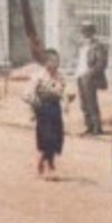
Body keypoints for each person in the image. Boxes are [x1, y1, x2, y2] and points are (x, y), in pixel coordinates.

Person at [23, 48, 67, 178]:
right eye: (53, 61)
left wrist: (66, 101)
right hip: (43, 110)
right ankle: (49, 167)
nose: (56, 64)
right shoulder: (38, 76)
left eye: (58, 61)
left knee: (57, 137)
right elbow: (27, 93)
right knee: (47, 138)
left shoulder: (60, 76)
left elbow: (64, 91)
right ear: (46, 62)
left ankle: (45, 160)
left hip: (55, 109)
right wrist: (35, 103)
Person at [74, 22, 109, 135]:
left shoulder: (98, 46)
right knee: (83, 103)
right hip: (80, 75)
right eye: (84, 31)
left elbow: (101, 63)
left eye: (88, 31)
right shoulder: (82, 45)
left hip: (89, 77)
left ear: (92, 32)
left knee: (91, 102)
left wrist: (90, 73)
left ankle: (97, 127)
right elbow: (80, 61)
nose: (85, 34)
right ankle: (88, 125)